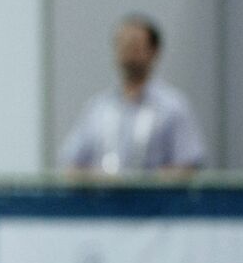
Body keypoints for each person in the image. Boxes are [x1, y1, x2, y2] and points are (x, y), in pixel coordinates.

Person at [60, 15, 207, 177]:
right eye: (122, 45)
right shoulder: (98, 108)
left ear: (154, 51)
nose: (127, 52)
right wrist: (97, 178)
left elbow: (188, 166)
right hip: (102, 199)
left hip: (155, 200)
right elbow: (71, 165)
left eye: (135, 45)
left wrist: (147, 181)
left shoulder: (173, 107)